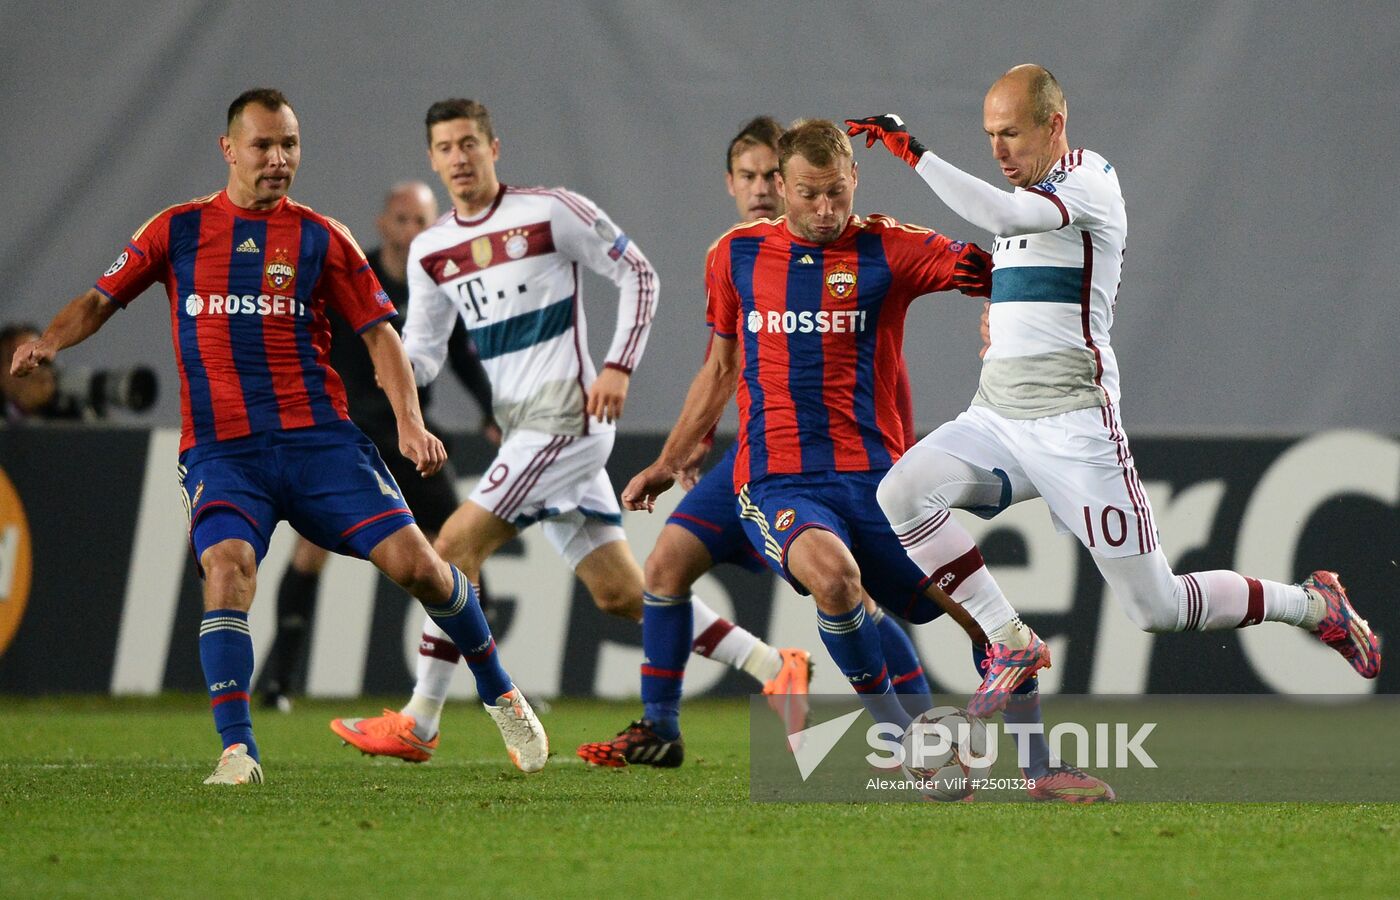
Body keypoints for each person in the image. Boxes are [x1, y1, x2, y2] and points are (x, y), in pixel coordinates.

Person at [8, 88, 546, 785]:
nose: (278, 158)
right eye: (264, 145)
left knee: (420, 566)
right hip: (224, 451)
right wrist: (50, 341)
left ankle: (502, 694)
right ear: (229, 149)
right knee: (227, 570)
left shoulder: (323, 237)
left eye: (289, 144)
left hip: (320, 444)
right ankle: (238, 750)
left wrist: (410, 423)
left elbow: (383, 340)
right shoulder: (177, 230)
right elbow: (99, 298)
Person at [846, 65, 1381, 714]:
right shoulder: (1028, 193)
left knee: (1156, 607)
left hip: (1075, 427)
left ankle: (1312, 603)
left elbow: (1007, 212)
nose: (999, 149)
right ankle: (1008, 637)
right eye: (989, 134)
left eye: (1012, 133)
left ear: (1054, 124)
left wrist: (915, 153)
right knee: (900, 492)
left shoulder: (1088, 178)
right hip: (999, 419)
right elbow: (1031, 267)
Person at [329, 100, 802, 764]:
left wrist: (617, 365)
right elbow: (427, 355)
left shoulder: (549, 212)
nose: (459, 157)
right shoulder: (434, 250)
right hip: (526, 428)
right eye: (445, 147)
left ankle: (421, 719)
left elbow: (638, 273)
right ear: (432, 159)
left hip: (565, 420)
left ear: (496, 147)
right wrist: (380, 362)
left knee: (451, 548)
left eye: (470, 142)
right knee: (619, 593)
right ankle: (774, 665)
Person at [576, 117, 932, 769]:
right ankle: (661, 726)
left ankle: (916, 729)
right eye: (752, 177)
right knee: (665, 566)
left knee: (852, 592)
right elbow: (722, 368)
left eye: (776, 176)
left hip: (844, 467)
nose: (766, 188)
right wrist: (675, 454)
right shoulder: (740, 259)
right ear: (731, 185)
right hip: (757, 469)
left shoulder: (844, 255)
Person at [256, 181, 497, 712]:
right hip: (350, 431)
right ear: (384, 223)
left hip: (411, 434)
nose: (412, 231)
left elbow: (461, 355)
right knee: (310, 550)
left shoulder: (438, 286)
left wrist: (488, 409)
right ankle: (277, 682)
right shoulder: (349, 273)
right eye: (403, 219)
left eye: (422, 221)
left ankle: (496, 683)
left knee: (459, 544)